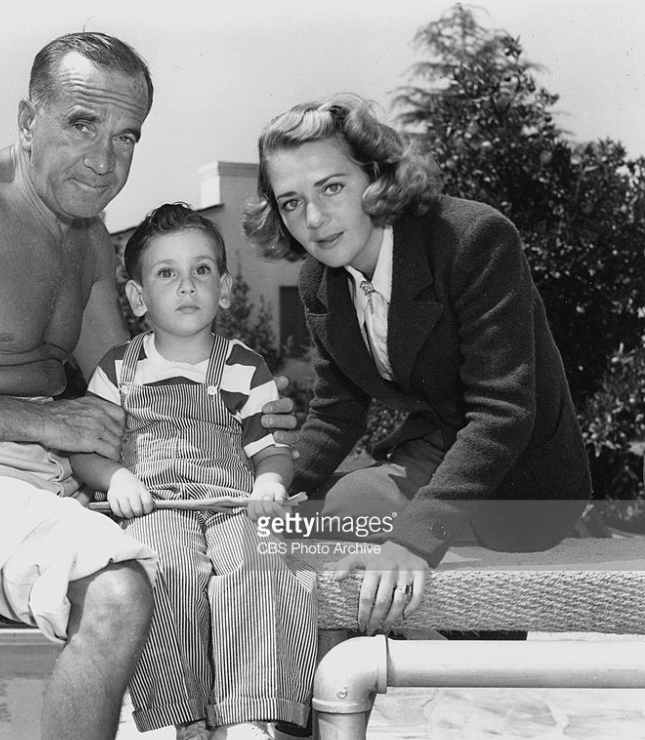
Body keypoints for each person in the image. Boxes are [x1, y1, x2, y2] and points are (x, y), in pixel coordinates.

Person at [0, 33, 295, 740]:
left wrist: (240, 420)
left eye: (126, 136)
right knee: (117, 588)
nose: (104, 160)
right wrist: (49, 425)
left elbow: (130, 392)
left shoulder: (86, 236)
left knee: (208, 533)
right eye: (82, 125)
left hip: (42, 460)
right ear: (28, 119)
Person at [243, 94, 592, 637]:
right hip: (435, 450)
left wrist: (411, 542)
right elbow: (336, 412)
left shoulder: (474, 238)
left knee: (371, 538)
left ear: (376, 176)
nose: (312, 218)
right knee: (317, 516)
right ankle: (327, 686)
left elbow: (502, 413)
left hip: (521, 479)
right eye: (291, 202)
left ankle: (473, 648)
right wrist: (267, 488)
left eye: (331, 187)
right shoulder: (320, 281)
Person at [70, 203, 317, 740]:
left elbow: (270, 446)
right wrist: (113, 477)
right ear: (137, 297)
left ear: (224, 288)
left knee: (261, 562)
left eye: (202, 270)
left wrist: (270, 482)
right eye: (167, 273)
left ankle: (246, 724)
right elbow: (86, 449)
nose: (187, 286)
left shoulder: (244, 368)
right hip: (155, 507)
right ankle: (195, 733)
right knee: (168, 571)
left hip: (231, 503)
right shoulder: (117, 371)